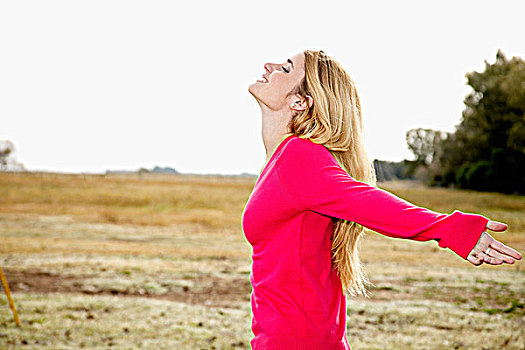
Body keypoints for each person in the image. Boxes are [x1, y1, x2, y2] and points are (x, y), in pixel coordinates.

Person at [243, 49, 522, 350]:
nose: (268, 66)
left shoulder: (298, 158)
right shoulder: (281, 160)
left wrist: (450, 228)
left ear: (300, 101)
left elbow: (369, 202)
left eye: (285, 69)